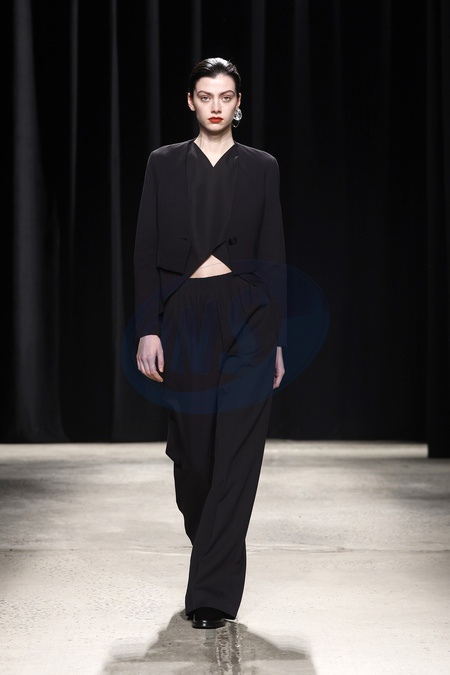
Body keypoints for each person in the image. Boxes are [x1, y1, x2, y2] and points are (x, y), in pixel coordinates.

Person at [134, 57, 286, 629]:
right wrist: (148, 326)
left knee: (237, 457)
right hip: (185, 315)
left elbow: (273, 250)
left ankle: (211, 596)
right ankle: (212, 548)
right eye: (206, 96)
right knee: (195, 458)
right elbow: (145, 247)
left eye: (226, 96)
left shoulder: (262, 167)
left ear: (238, 103)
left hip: (249, 313)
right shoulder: (163, 163)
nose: (216, 106)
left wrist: (277, 339)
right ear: (190, 101)